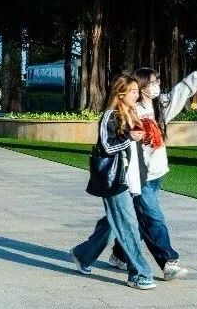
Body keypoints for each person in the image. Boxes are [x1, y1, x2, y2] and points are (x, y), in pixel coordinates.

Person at [108, 51, 197, 281]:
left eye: (157, 81)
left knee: (142, 218)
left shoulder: (161, 106)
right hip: (140, 176)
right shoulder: (131, 111)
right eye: (151, 82)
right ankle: (168, 262)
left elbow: (183, 89)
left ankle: (119, 255)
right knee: (154, 217)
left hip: (157, 173)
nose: (156, 85)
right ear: (140, 87)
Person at [71, 75, 156, 290]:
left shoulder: (132, 113)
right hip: (115, 178)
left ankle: (83, 254)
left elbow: (134, 148)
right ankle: (139, 274)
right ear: (121, 93)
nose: (137, 95)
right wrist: (129, 138)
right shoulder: (110, 115)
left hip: (131, 178)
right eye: (133, 91)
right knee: (128, 224)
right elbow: (107, 147)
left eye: (137, 91)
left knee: (112, 222)